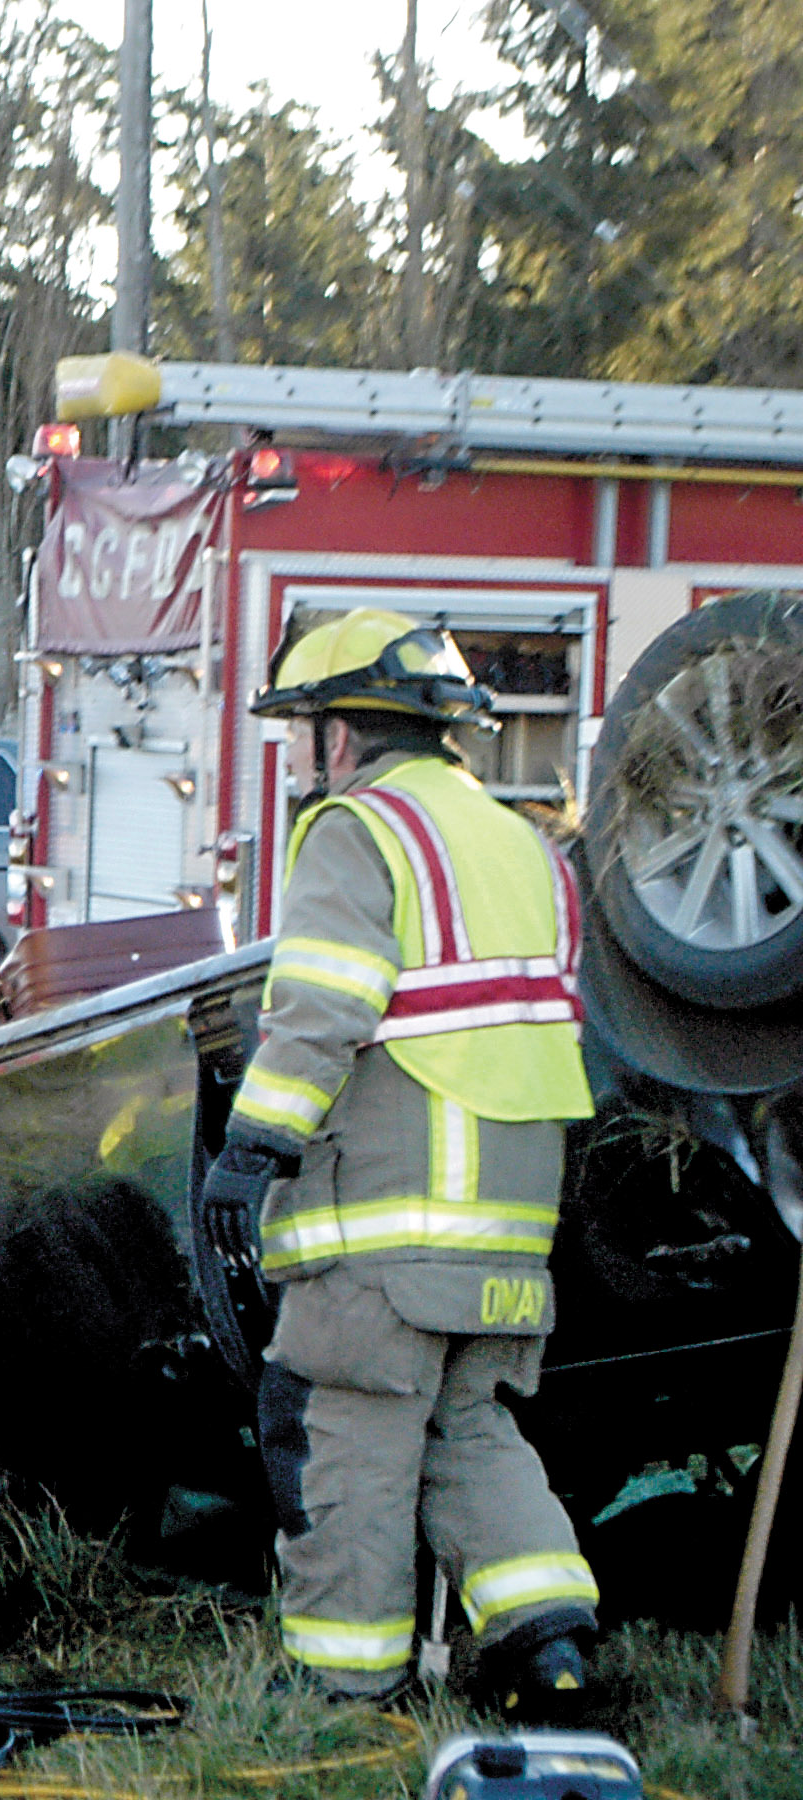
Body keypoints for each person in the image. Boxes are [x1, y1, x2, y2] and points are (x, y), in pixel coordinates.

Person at [199, 609, 600, 1718]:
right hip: (511, 1216)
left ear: (340, 735)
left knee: (352, 1434)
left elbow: (321, 1006)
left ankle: (342, 1682)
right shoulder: (522, 843)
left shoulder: (354, 828)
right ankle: (549, 1643)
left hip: (388, 1212)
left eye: (303, 729)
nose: (298, 753)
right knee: (468, 1424)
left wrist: (252, 1144)